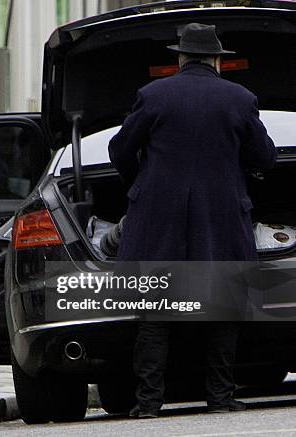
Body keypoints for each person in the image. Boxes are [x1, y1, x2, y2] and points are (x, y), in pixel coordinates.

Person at [108, 23, 276, 417]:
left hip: (158, 220)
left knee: (155, 311)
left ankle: (148, 403)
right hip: (220, 219)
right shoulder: (241, 99)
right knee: (221, 305)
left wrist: (143, 187)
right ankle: (220, 398)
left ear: (180, 58)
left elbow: (119, 151)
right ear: (218, 61)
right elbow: (264, 158)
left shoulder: (153, 96)